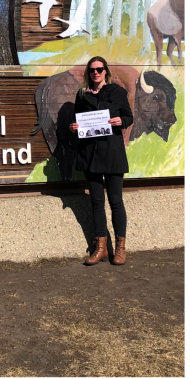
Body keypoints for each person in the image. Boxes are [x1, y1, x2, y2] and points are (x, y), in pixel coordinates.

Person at [70, 57, 134, 266]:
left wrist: (121, 121)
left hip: (112, 153)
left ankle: (121, 248)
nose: (96, 73)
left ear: (105, 71)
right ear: (89, 73)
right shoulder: (82, 96)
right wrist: (75, 128)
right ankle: (101, 249)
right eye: (92, 70)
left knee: (116, 201)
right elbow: (78, 120)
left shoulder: (117, 92)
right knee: (96, 202)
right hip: (90, 154)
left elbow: (129, 117)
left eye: (99, 69)